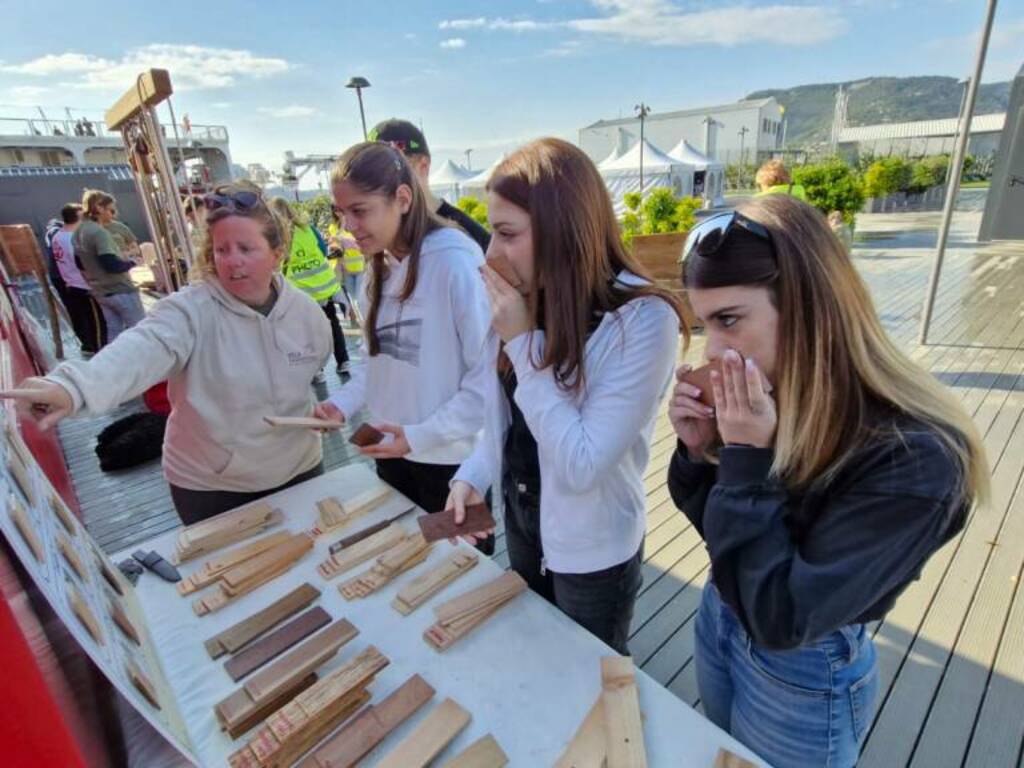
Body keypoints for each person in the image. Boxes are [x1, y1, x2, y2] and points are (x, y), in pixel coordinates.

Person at [666, 195, 988, 768]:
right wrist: (700, 453)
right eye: (702, 323)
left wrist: (744, 459)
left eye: (728, 320)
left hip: (803, 664)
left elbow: (783, 617)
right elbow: (723, 539)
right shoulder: (783, 393)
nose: (712, 348)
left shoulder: (920, 460)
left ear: (809, 307)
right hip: (723, 607)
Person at [445, 138, 686, 655]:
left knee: (591, 684)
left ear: (564, 230)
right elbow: (506, 423)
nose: (491, 255)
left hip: (594, 555)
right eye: (493, 233)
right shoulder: (525, 298)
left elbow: (581, 464)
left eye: (508, 234)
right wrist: (473, 476)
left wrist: (523, 341)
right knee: (539, 665)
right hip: (526, 529)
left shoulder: (642, 318)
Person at [1, 182, 332, 524]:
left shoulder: (306, 314)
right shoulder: (188, 312)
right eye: (222, 250)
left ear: (277, 254)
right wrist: (73, 388)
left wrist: (321, 411)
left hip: (300, 470)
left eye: (246, 248)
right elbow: (141, 348)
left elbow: (306, 379)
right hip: (215, 487)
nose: (233, 262)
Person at [315, 142, 494, 550]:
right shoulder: (377, 269)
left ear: (402, 199)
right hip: (392, 458)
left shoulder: (455, 262)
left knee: (459, 579)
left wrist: (420, 435)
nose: (349, 226)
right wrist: (340, 403)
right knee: (408, 568)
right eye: (341, 213)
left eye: (360, 211)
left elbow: (488, 381)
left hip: (452, 469)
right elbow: (375, 363)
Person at [369, 118, 491, 252]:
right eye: (370, 171)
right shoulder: (382, 234)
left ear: (423, 166)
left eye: (391, 167)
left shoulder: (466, 237)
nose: (378, 180)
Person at [268, 198, 350, 377]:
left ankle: (316, 370)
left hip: (300, 294)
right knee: (333, 324)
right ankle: (343, 361)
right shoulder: (307, 229)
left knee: (304, 331)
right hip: (323, 287)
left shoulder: (276, 236)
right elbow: (322, 250)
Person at [73, 190, 145, 341]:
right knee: (141, 331)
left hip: (101, 291)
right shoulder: (99, 233)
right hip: (119, 289)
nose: (114, 214)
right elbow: (110, 264)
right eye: (111, 210)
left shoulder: (78, 231)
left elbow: (79, 263)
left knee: (114, 332)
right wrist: (132, 262)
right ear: (99, 208)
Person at [49, 204, 106, 355]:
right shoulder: (74, 239)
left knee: (81, 318)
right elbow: (82, 264)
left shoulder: (57, 236)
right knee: (96, 321)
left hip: (71, 283)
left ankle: (88, 346)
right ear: (79, 217)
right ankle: (99, 349)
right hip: (84, 285)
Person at [327, 210, 364, 324]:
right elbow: (334, 242)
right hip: (346, 269)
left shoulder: (356, 224)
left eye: (342, 211)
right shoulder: (333, 227)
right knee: (353, 301)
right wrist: (342, 225)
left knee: (359, 300)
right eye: (337, 211)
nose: (340, 213)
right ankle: (361, 324)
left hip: (361, 269)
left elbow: (357, 243)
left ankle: (365, 324)